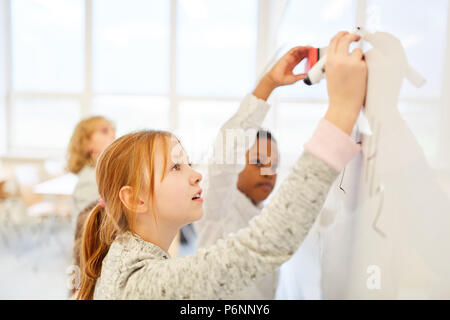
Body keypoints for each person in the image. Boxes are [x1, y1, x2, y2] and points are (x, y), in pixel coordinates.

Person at [77, 31, 367, 300]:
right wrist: (340, 112)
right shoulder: (144, 283)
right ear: (134, 198)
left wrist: (267, 85)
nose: (197, 174)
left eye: (188, 163)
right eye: (176, 167)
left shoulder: (129, 259)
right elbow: (267, 241)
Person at [194, 45, 308, 299]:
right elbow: (226, 152)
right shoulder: (219, 206)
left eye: (275, 165)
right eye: (259, 161)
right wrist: (268, 84)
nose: (269, 173)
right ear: (237, 163)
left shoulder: (264, 216)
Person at [66, 116, 116, 215]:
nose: (113, 135)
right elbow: (88, 224)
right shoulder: (90, 181)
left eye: (113, 130)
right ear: (87, 143)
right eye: (105, 131)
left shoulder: (102, 171)